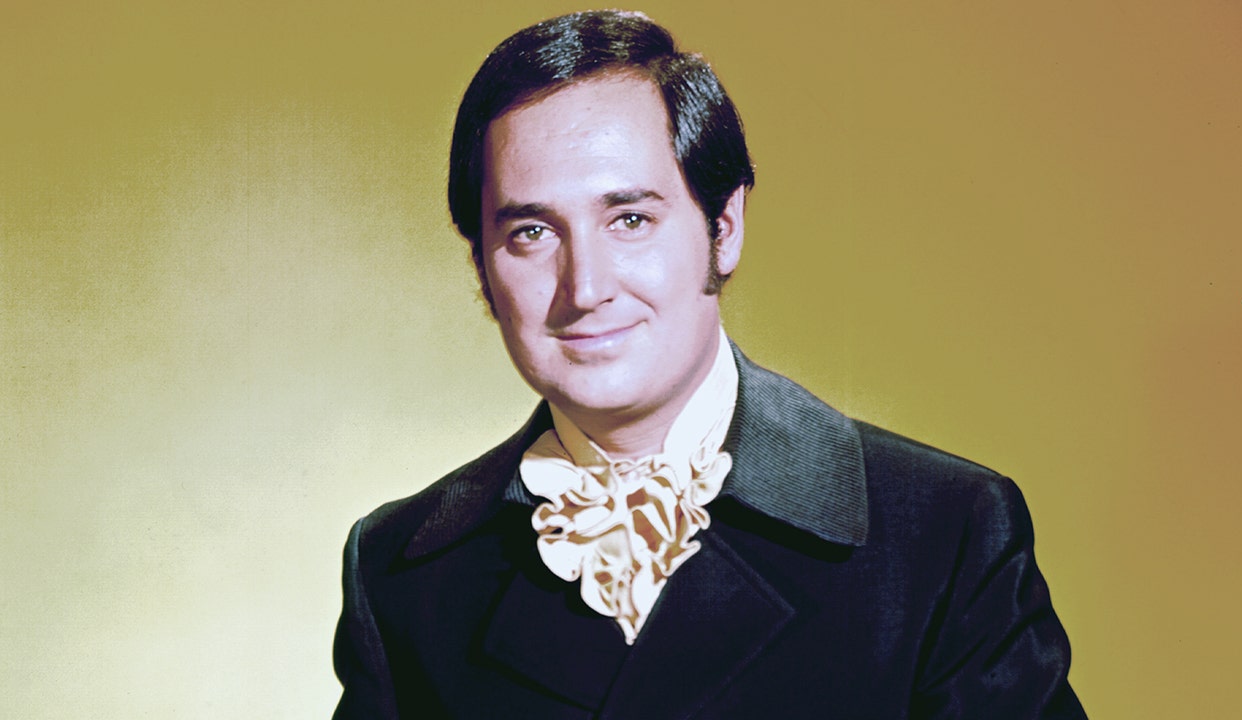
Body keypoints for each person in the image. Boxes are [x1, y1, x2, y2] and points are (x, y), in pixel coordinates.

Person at [332, 10, 1086, 719]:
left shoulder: (944, 534)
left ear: (724, 228)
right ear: (482, 267)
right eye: (532, 232)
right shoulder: (401, 572)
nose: (585, 288)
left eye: (630, 219)